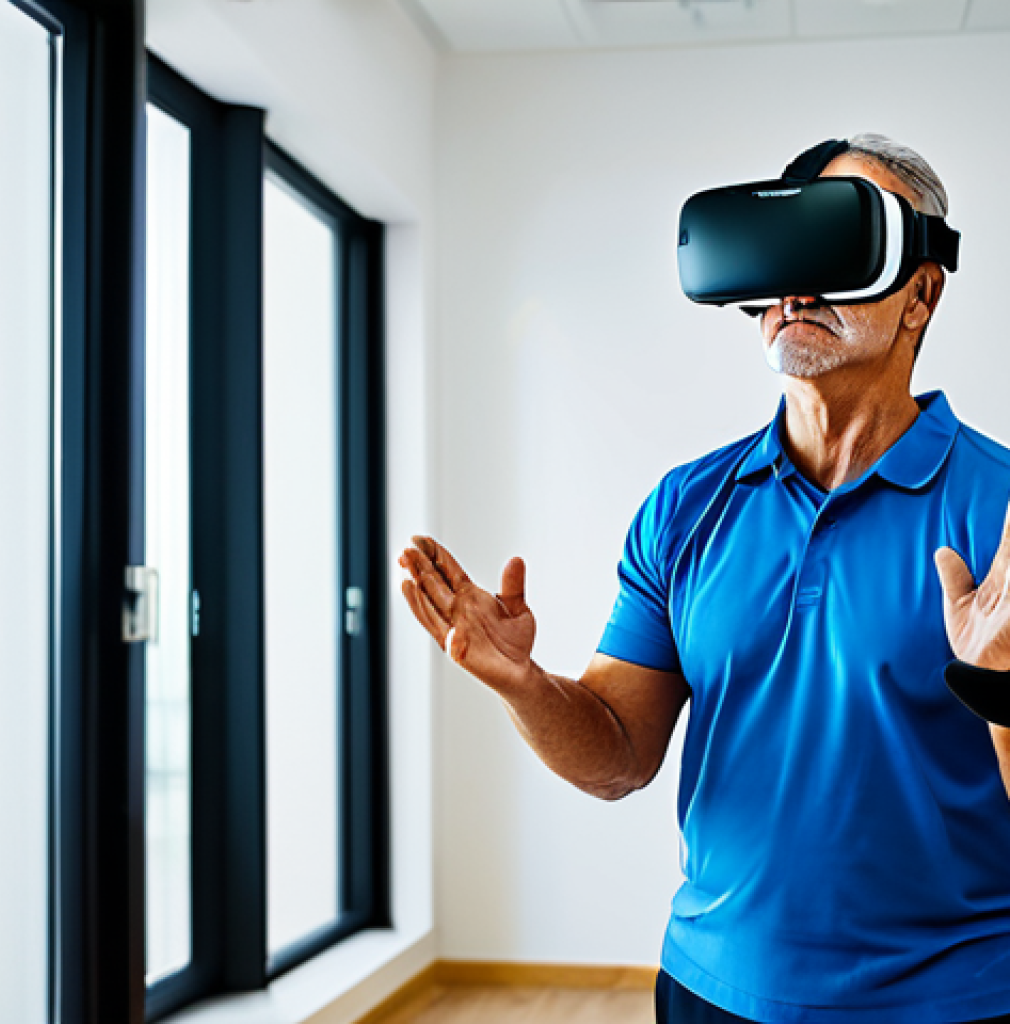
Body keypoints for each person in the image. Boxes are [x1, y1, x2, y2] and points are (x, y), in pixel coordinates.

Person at [398, 134, 1010, 1023]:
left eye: (834, 249)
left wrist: (1003, 688)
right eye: (782, 254)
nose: (797, 287)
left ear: (920, 292)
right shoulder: (686, 507)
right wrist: (524, 686)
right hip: (706, 991)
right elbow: (619, 757)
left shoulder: (999, 512)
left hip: (950, 1004)